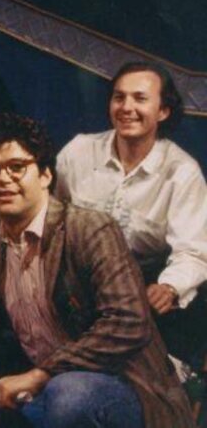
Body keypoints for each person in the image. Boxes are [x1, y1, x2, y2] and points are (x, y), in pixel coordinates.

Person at [0, 112, 193, 428]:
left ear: (46, 176)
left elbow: (128, 321)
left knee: (68, 396)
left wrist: (42, 375)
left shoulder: (90, 229)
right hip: (35, 389)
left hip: (121, 385)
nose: (2, 179)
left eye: (17, 167)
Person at [55, 62, 207, 367]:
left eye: (140, 98)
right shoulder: (78, 151)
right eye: (119, 97)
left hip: (142, 291)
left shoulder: (182, 172)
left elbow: (193, 252)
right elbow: (51, 219)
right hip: (74, 284)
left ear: (163, 111)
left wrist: (169, 287)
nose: (126, 108)